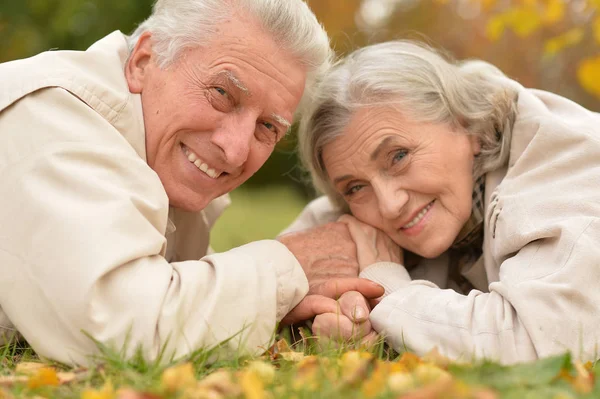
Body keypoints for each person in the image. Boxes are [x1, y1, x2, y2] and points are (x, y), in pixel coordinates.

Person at [0, 0, 384, 365]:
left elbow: (162, 291)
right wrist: (293, 264)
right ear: (143, 60)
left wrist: (283, 307)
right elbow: (116, 329)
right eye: (221, 93)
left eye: (267, 127)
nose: (234, 151)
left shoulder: (155, 155)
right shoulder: (54, 116)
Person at [286, 40, 600, 364]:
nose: (389, 205)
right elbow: (291, 261)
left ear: (466, 125)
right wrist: (335, 310)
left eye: (399, 156)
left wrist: (389, 292)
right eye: (355, 188)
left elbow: (541, 343)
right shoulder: (382, 207)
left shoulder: (565, 170)